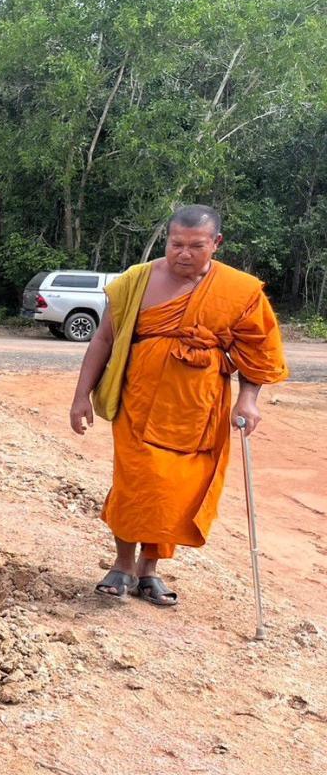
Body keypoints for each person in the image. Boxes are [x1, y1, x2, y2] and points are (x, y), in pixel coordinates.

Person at [70, 205, 289, 604]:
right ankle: (121, 565)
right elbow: (103, 339)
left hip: (199, 410)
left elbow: (259, 353)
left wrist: (248, 399)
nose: (183, 254)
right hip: (138, 401)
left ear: (216, 244)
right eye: (176, 244)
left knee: (174, 492)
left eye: (195, 246)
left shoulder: (239, 291)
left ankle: (149, 571)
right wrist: (81, 395)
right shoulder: (137, 281)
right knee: (135, 483)